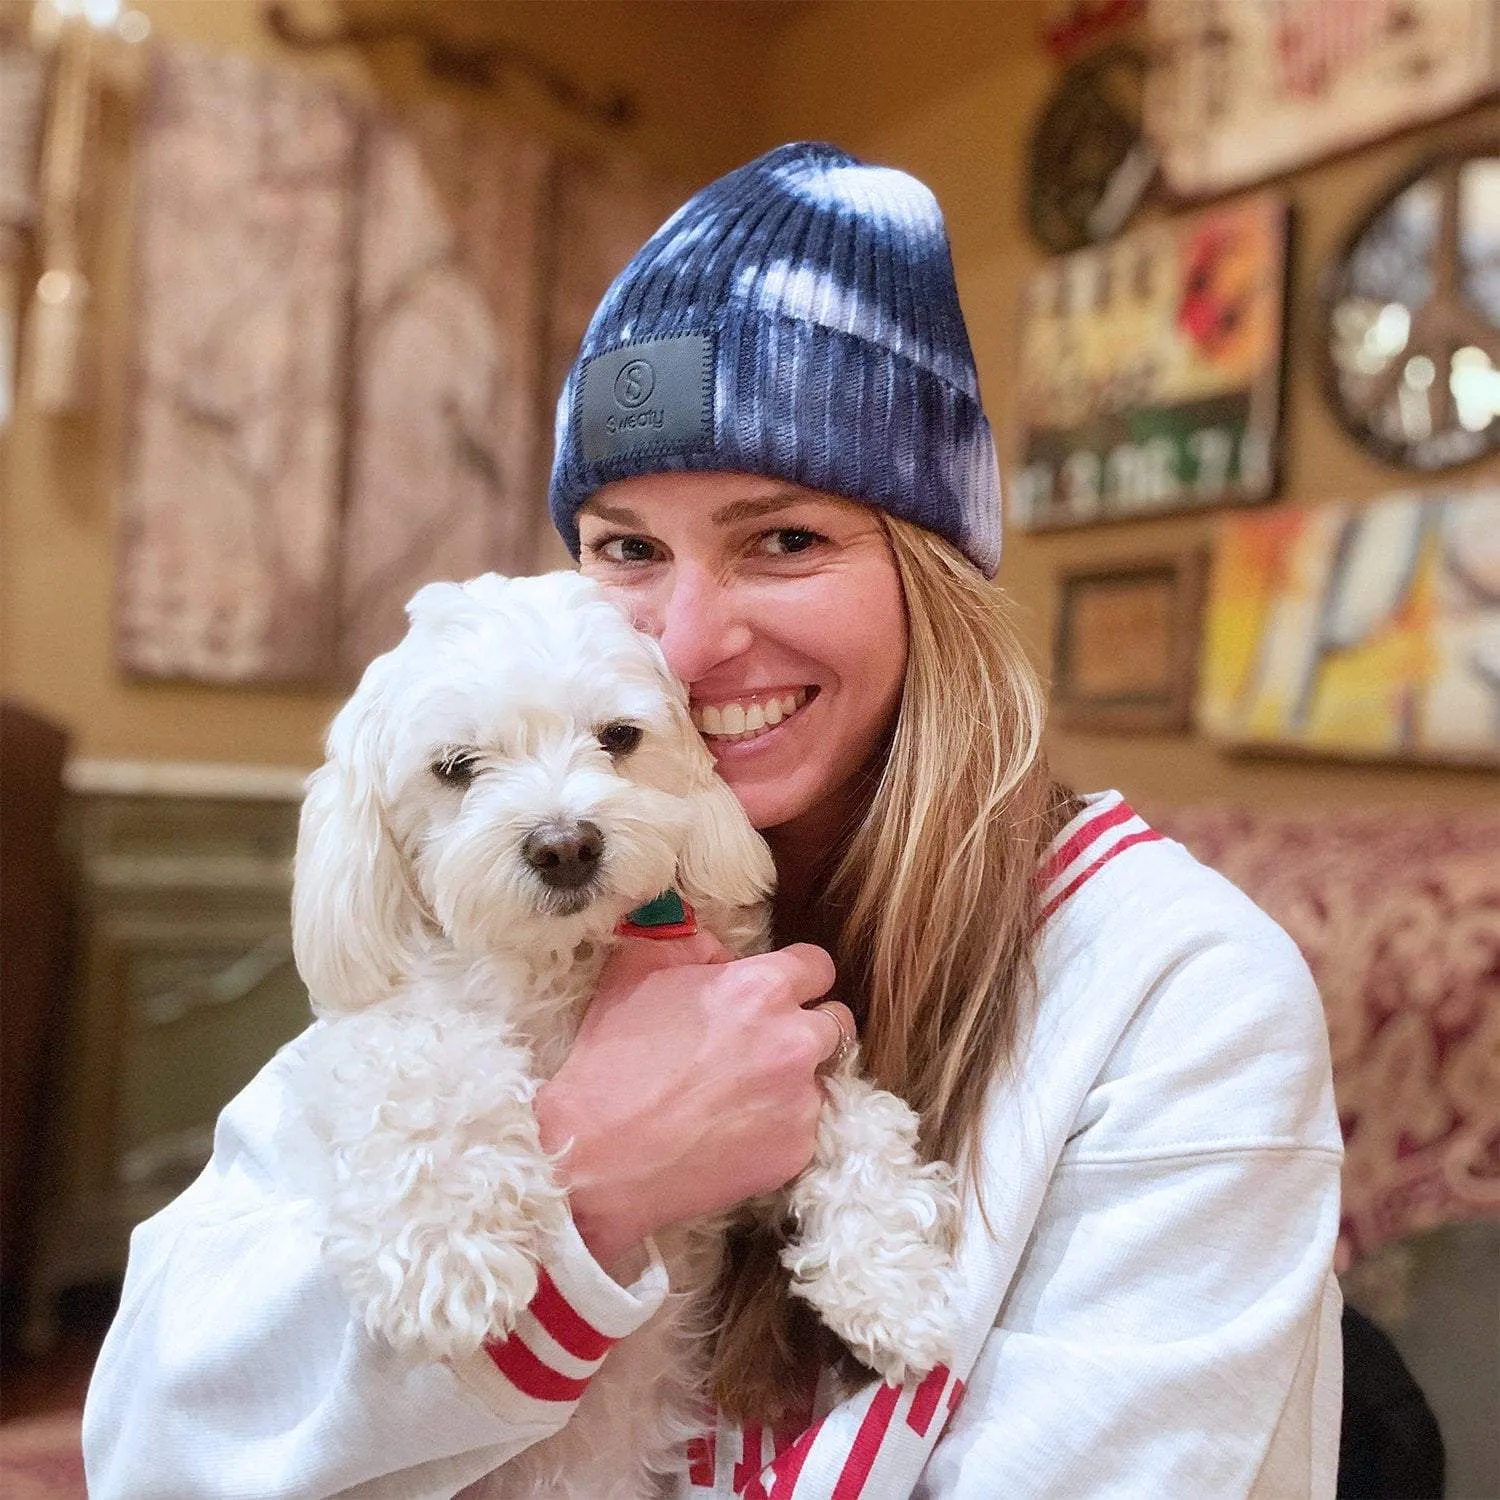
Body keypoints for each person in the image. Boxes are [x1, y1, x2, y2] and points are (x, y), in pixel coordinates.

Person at [83, 143, 1343, 1497]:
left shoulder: (1181, 996)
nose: (683, 642)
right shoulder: (500, 948)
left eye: (784, 540)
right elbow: (153, 1442)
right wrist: (586, 1173)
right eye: (628, 549)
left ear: (936, 579)